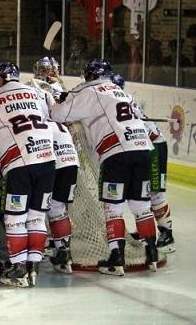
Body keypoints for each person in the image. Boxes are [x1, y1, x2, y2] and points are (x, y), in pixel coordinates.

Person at [50, 59, 158, 276]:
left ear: (90, 75)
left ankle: (116, 258)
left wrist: (63, 99)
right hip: (144, 149)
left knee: (113, 207)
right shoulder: (122, 92)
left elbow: (58, 115)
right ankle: (151, 253)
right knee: (141, 206)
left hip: (117, 153)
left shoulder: (88, 92)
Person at [0, 61, 56, 287]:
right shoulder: (36, 93)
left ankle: (18, 267)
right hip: (47, 159)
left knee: (15, 217)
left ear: (0, 79)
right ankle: (33, 265)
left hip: (19, 162)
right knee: (36, 217)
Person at [111, 74, 175, 253]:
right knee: (140, 194)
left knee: (155, 192)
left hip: (153, 146)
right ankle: (149, 231)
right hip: (143, 147)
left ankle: (167, 234)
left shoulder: (119, 103)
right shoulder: (120, 102)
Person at [31, 57, 78, 274]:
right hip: (69, 154)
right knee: (58, 208)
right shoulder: (53, 91)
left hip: (47, 153)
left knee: (38, 208)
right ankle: (63, 253)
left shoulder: (34, 89)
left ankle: (33, 255)